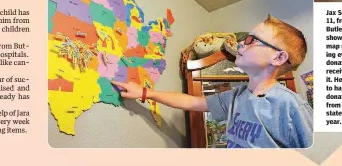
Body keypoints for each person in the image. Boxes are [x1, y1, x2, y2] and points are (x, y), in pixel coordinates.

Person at [112, 15, 313, 149]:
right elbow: (191, 102)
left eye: (252, 40)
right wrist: (144, 93)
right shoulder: (236, 97)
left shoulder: (291, 106)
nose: (241, 42)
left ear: (278, 58)